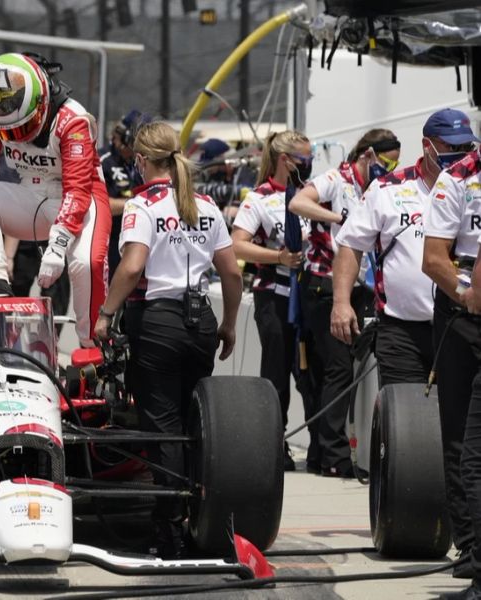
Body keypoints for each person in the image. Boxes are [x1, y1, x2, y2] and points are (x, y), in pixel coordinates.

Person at [94, 121, 242, 558]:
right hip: (201, 323)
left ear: (141, 161)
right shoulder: (206, 205)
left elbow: (132, 265)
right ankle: (201, 517)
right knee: (198, 427)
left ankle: (169, 530)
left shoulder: (143, 207)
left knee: (164, 430)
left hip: (157, 322)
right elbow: (231, 273)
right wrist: (229, 324)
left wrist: (106, 314)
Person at [0, 52, 110, 347]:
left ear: (41, 102)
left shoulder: (73, 119)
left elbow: (78, 189)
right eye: (7, 130)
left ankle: (92, 345)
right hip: (31, 194)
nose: (14, 136)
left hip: (80, 197)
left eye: (21, 126)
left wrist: (59, 245)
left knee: (85, 264)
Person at [288, 128, 400, 478]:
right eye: (385, 161)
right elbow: (297, 203)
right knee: (334, 369)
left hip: (359, 286)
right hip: (323, 285)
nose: (389, 168)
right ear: (367, 154)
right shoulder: (337, 179)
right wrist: (340, 220)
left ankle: (325, 453)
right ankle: (335, 457)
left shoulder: (377, 188)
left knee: (336, 370)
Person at [332, 112, 453, 390]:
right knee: (407, 421)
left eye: (466, 147)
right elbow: (351, 244)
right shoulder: (387, 188)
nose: (458, 154)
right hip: (401, 329)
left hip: (460, 327)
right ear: (428, 145)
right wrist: (341, 302)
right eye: (450, 146)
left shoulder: (473, 187)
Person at [421, 109, 481, 589]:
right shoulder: (455, 181)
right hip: (464, 314)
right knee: (462, 438)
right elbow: (434, 259)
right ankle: (471, 547)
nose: (458, 154)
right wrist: (467, 295)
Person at [230, 130, 312, 471]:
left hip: (308, 297)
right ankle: (274, 446)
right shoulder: (260, 198)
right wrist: (278, 257)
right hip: (274, 297)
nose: (310, 165)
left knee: (310, 374)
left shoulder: (312, 195)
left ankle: (324, 446)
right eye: (305, 159)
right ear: (286, 160)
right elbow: (237, 244)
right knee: (276, 375)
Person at [100, 109, 147, 280]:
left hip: (141, 236)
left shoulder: (144, 162)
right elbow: (101, 205)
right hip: (111, 238)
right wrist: (138, 203)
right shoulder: (102, 161)